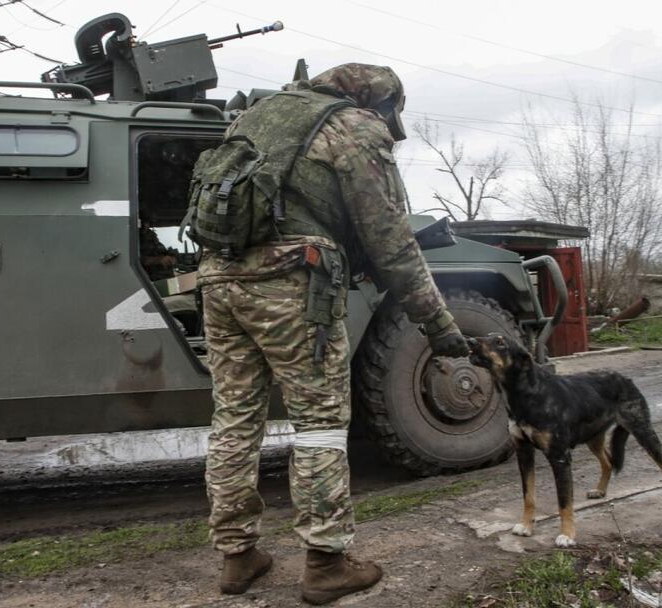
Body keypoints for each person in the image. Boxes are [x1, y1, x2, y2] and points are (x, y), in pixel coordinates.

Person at [197, 63, 469, 605]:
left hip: (219, 278)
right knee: (319, 422)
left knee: (234, 419)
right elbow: (391, 239)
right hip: (293, 281)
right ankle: (326, 561)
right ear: (381, 102)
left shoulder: (254, 117)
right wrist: (438, 324)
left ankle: (237, 556)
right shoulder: (353, 127)